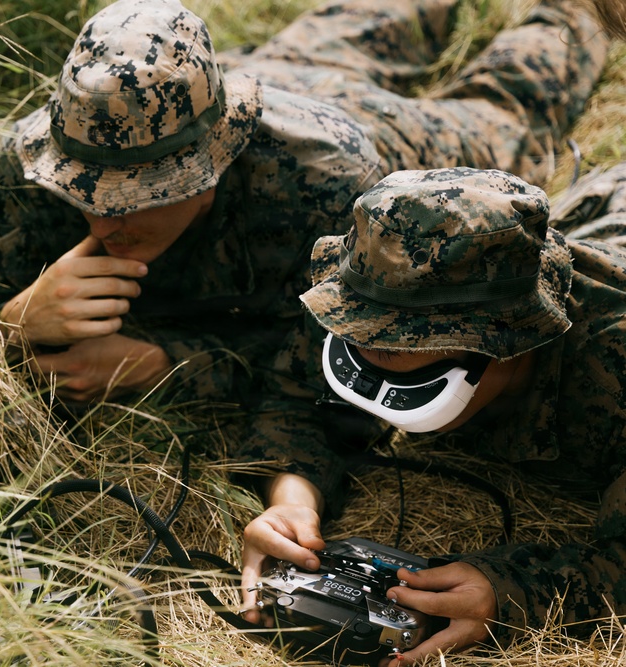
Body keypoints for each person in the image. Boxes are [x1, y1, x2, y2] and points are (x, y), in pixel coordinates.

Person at [0, 0, 607, 421]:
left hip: (372, 130)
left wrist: (157, 360)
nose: (104, 222)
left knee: (509, 102)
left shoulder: (332, 187)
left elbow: (339, 362)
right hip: (271, 72)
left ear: (214, 167)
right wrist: (14, 318)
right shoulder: (35, 163)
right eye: (84, 191)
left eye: (145, 196)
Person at [239, 166, 626, 663]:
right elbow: (294, 396)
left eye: (404, 356)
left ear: (510, 342)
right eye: (359, 342)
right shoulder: (373, 284)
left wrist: (514, 591)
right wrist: (293, 498)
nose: (372, 351)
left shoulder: (612, 373)